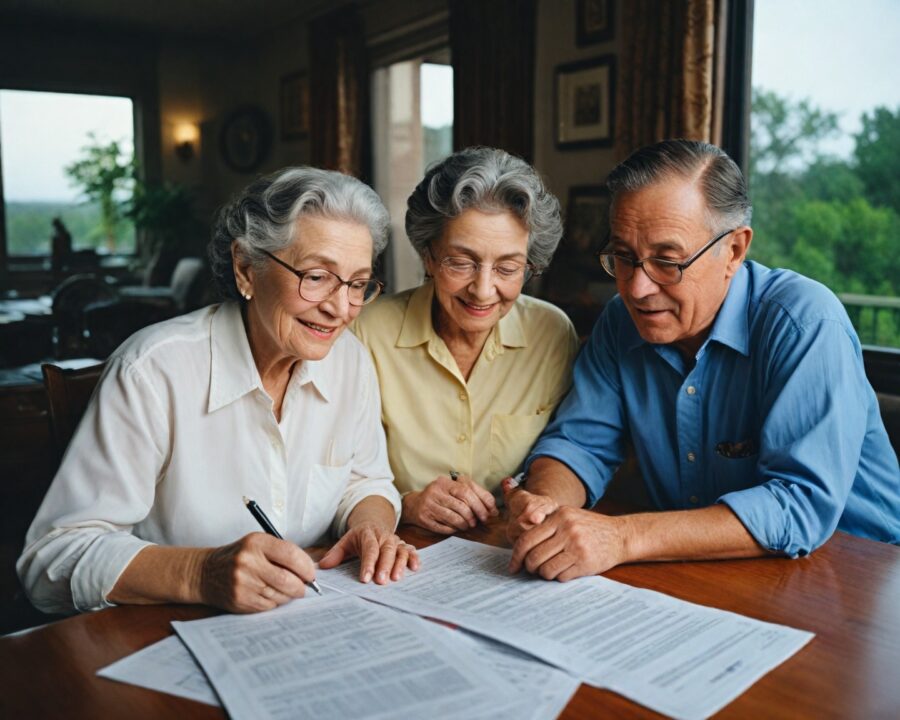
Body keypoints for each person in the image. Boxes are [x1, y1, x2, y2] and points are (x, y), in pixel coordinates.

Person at [18, 167, 419, 616]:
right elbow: (50, 561)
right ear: (246, 268)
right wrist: (200, 572)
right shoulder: (153, 370)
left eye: (357, 283)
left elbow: (366, 481)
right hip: (166, 634)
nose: (340, 308)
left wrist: (372, 527)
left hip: (311, 618)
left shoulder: (349, 360)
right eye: (317, 276)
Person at [506, 139, 899, 581]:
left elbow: (798, 505)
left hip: (856, 576)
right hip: (709, 570)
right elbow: (579, 444)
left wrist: (621, 538)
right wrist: (545, 502)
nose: (636, 289)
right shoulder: (620, 321)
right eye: (623, 257)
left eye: (667, 261)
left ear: (733, 250)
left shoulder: (806, 323)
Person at [353, 147, 578, 535]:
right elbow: (335, 473)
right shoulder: (367, 333)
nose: (483, 290)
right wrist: (405, 505)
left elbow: (570, 448)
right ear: (428, 256)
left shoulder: (551, 334)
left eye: (508, 268)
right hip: (403, 549)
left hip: (508, 553)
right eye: (461, 262)